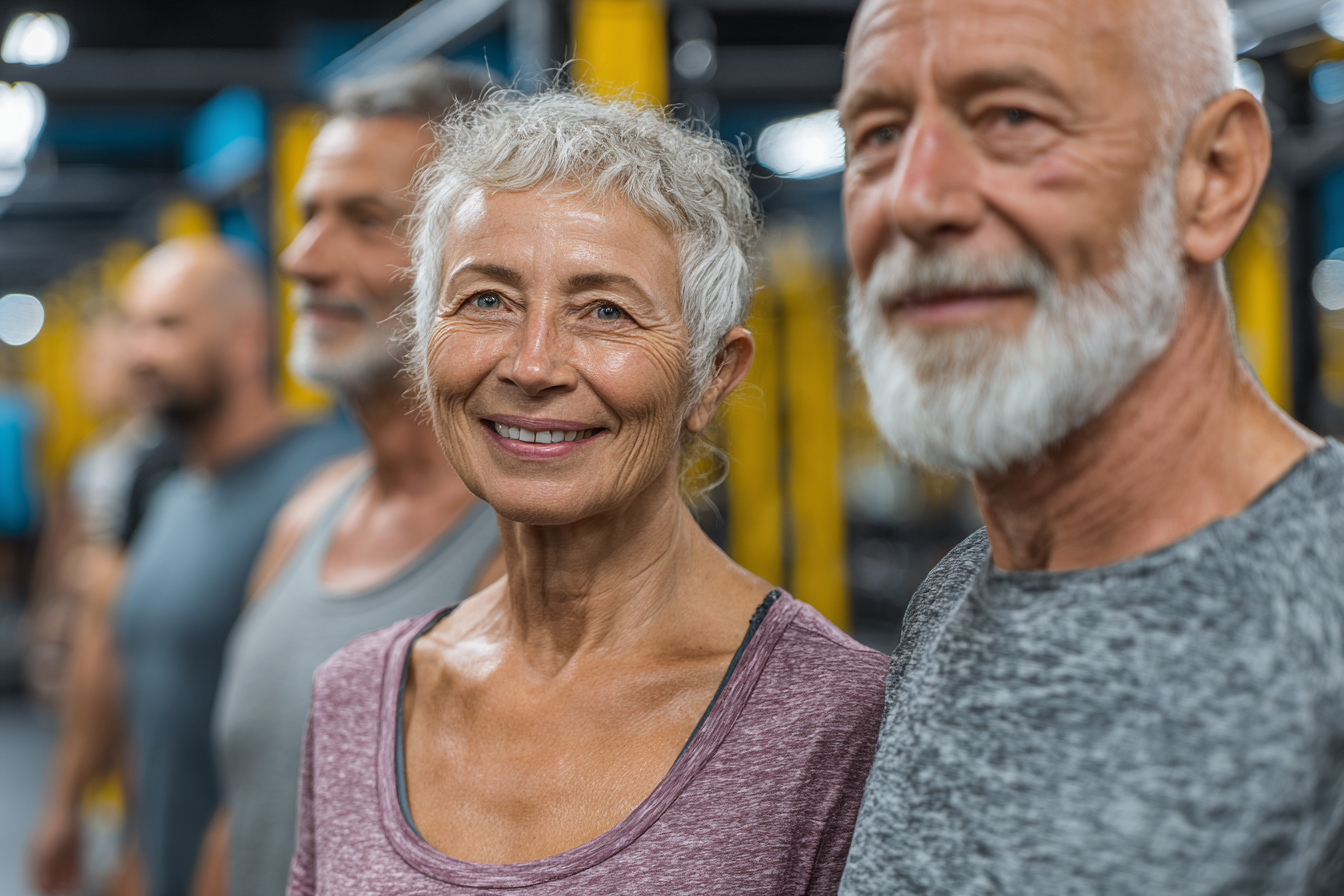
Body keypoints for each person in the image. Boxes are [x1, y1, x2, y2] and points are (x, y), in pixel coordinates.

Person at [286, 90, 887, 896]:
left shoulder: (838, 720)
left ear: (713, 375)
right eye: (488, 300)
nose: (533, 366)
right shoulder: (356, 697)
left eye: (605, 311)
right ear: (426, 343)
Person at [835, 0, 1344, 893]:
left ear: (1214, 174)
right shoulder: (956, 594)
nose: (916, 199)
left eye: (1013, 119)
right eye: (877, 134)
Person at [196, 60, 500, 896]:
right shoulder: (307, 514)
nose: (300, 259)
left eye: (365, 221)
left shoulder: (523, 556)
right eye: (306, 216)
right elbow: (245, 812)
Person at [31, 234, 363, 896]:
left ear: (245, 340)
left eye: (167, 326)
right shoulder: (170, 491)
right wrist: (109, 830)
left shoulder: (324, 484)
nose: (138, 353)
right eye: (133, 327)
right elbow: (139, 671)